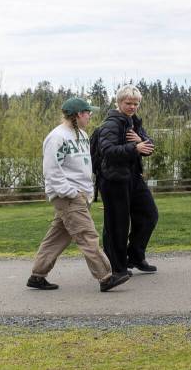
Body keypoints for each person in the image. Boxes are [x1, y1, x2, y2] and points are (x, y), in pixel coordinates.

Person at [27, 98, 130, 292]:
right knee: (87, 235)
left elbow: (84, 165)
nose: (90, 115)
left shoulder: (82, 134)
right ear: (78, 115)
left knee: (58, 236)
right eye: (87, 112)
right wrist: (69, 192)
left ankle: (37, 276)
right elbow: (51, 170)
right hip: (67, 196)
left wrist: (87, 192)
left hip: (81, 194)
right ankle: (106, 276)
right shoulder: (57, 137)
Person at [91, 85, 159, 275]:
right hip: (113, 180)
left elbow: (149, 146)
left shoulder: (134, 122)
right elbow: (108, 152)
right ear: (119, 102)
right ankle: (116, 268)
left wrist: (140, 141)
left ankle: (135, 256)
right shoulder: (111, 124)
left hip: (133, 178)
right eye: (128, 103)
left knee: (149, 215)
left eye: (136, 104)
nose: (132, 107)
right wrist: (135, 148)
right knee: (117, 225)